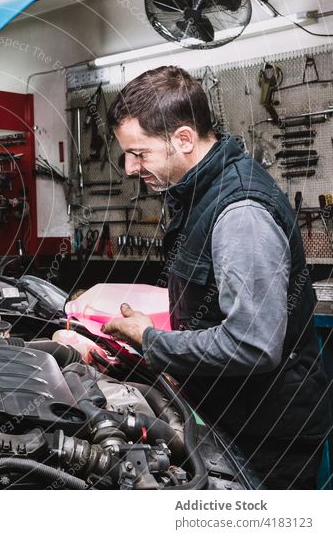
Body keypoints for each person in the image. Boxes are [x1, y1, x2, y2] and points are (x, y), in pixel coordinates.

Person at [100, 65, 332, 489]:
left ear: (184, 139)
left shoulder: (239, 212)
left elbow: (252, 345)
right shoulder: (197, 191)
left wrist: (153, 342)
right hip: (232, 416)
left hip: (267, 434)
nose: (131, 168)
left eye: (140, 153)